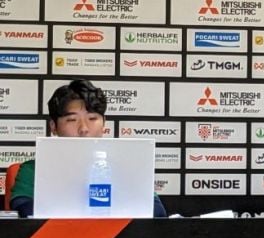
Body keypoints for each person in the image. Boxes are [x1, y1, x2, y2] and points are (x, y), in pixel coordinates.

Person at [10, 79, 167, 217]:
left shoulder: (127, 168)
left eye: (92, 118)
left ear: (104, 123)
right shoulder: (33, 170)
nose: (83, 129)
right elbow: (24, 209)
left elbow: (157, 212)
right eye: (72, 120)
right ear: (54, 126)